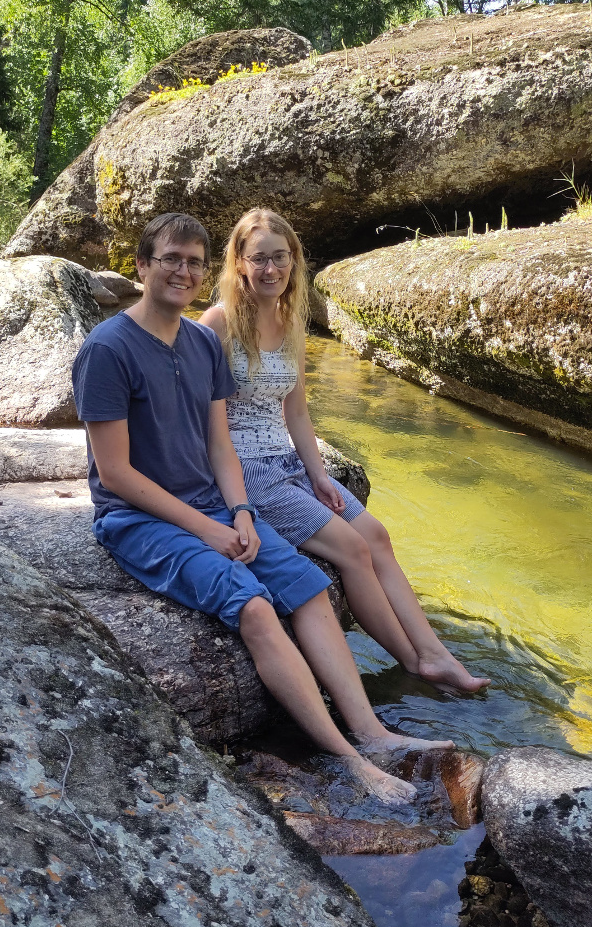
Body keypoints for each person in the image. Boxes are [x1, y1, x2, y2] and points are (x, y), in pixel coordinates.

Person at [72, 212, 454, 806]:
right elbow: (116, 473)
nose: (183, 271)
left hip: (216, 504)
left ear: (206, 272)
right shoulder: (107, 349)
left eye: (194, 262)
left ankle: (374, 733)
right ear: (142, 266)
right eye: (170, 259)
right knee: (252, 605)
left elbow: (222, 445)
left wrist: (243, 513)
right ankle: (350, 760)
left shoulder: (201, 343)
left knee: (308, 588)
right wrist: (208, 528)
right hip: (138, 520)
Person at [200, 208, 491, 694]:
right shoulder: (218, 323)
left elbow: (296, 414)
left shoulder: (291, 322)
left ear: (294, 262)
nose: (271, 270)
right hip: (248, 472)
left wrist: (317, 474)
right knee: (353, 551)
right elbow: (200, 418)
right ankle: (415, 663)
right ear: (239, 264)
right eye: (259, 259)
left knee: (376, 535)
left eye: (280, 258)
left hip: (288, 464)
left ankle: (436, 652)